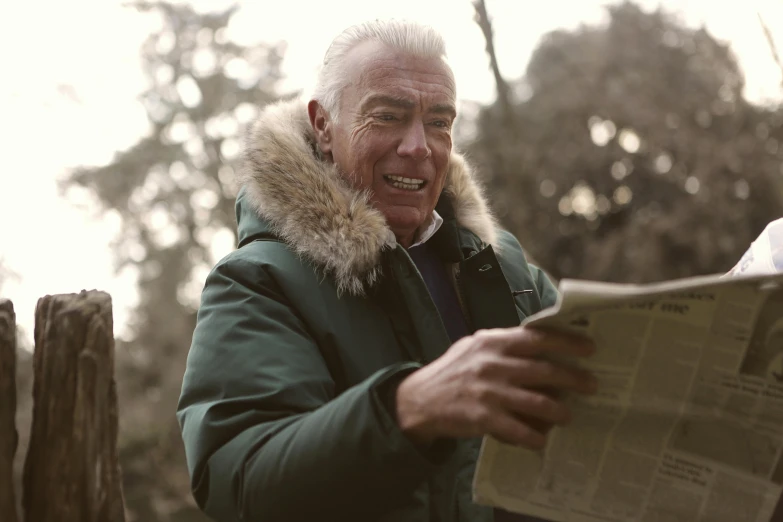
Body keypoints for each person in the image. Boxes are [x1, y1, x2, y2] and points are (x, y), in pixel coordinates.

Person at [176, 19, 598, 522]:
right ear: (323, 127)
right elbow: (239, 480)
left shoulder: (503, 267)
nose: (419, 146)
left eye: (439, 122)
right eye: (388, 116)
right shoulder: (257, 284)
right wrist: (407, 409)